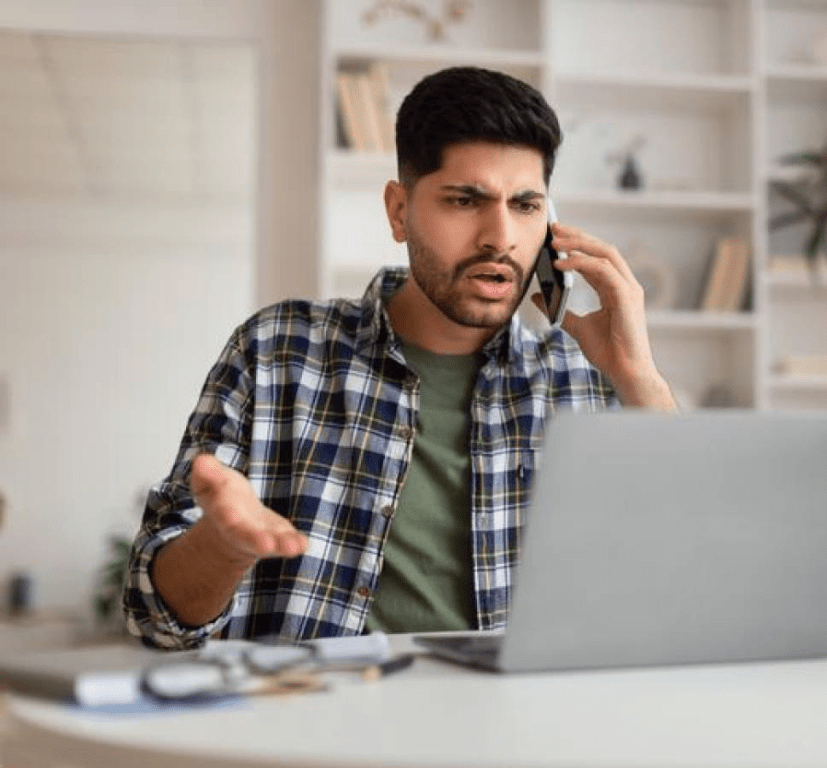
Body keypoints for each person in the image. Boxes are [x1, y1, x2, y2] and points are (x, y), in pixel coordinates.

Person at [123, 66, 675, 649]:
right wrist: (223, 545)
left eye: (526, 205)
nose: (500, 236)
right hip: (315, 728)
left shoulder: (581, 381)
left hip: (521, 731)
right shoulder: (278, 351)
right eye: (466, 200)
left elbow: (679, 595)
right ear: (398, 210)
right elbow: (153, 620)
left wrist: (642, 382)